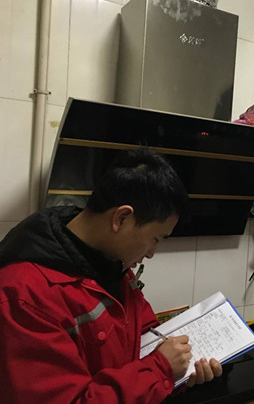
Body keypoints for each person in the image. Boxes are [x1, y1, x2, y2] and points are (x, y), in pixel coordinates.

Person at [0, 149, 223, 403]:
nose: (151, 253)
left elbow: (143, 334)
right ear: (122, 217)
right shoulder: (23, 295)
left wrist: (180, 368)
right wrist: (161, 369)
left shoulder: (112, 265)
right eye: (155, 238)